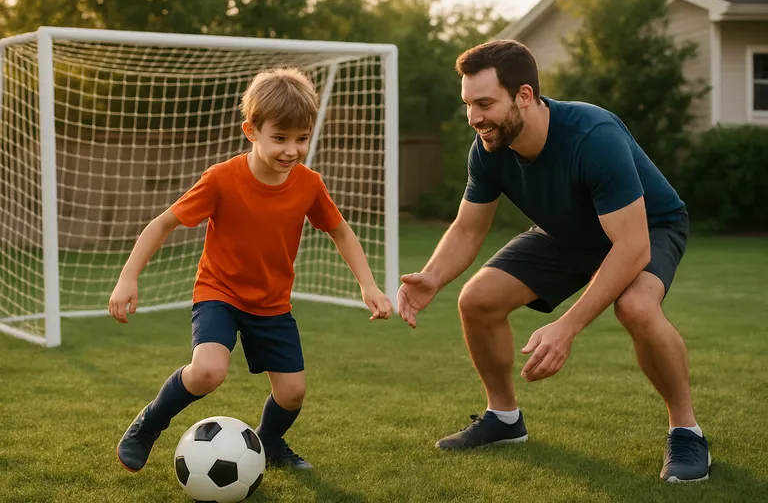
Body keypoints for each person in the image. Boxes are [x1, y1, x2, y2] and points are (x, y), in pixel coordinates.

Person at [396, 40, 710, 483]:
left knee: (637, 307)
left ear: (524, 95)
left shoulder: (592, 135)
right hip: (566, 233)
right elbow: (467, 229)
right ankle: (503, 419)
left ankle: (687, 431)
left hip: (647, 227)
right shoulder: (488, 148)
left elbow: (632, 247)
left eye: (484, 103)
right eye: (467, 104)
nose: (473, 117)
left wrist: (568, 326)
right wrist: (432, 277)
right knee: (477, 300)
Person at [110, 67, 393, 472]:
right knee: (208, 371)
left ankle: (270, 442)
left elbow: (341, 231)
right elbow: (163, 223)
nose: (291, 150)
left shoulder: (309, 184)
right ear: (251, 131)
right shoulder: (222, 179)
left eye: (302, 138)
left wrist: (369, 285)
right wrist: (128, 277)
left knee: (292, 393)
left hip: (272, 304)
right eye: (280, 138)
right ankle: (148, 425)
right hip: (220, 294)